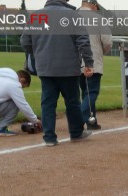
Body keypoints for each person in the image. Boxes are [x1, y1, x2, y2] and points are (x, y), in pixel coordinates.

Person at [20, 0, 93, 147]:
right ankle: (76, 133)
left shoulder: (35, 16)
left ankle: (49, 137)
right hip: (69, 67)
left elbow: (25, 41)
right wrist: (89, 63)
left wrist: (37, 54)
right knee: (72, 102)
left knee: (47, 103)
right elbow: (83, 41)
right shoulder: (73, 15)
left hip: (45, 68)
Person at [78, 0, 112, 130]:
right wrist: (101, 53)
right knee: (91, 92)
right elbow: (108, 42)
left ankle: (91, 122)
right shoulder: (98, 19)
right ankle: (79, 119)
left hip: (75, 62)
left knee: (84, 93)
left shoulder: (71, 17)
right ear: (93, 4)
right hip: (93, 61)